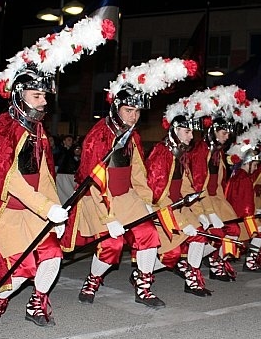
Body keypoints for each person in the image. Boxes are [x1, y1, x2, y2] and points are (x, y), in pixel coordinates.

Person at [0, 16, 115, 327]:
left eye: (45, 96)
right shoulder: (5, 130)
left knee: (53, 254)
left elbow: (43, 175)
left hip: (35, 211)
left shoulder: (38, 131)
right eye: (37, 96)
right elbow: (9, 178)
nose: (44, 102)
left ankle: (37, 303)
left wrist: (53, 211)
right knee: (20, 264)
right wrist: (47, 208)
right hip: (9, 211)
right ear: (19, 95)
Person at [64, 57, 197, 308]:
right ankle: (93, 279)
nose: (134, 116)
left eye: (137, 112)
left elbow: (138, 174)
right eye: (129, 110)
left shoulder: (132, 136)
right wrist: (108, 218)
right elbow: (92, 179)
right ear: (116, 108)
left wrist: (147, 202)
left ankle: (143, 285)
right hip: (99, 199)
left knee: (149, 234)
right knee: (112, 245)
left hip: (126, 198)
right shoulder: (98, 135)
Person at [146, 108, 212, 296]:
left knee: (200, 234)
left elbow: (186, 188)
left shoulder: (181, 153)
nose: (192, 136)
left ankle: (191, 278)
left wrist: (200, 212)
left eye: (192, 132)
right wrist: (182, 223)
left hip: (177, 207)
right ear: (175, 130)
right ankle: (142, 274)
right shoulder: (161, 153)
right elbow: (157, 195)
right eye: (187, 131)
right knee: (172, 255)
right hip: (162, 209)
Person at [186, 85, 248, 282]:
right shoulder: (200, 151)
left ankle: (216, 262)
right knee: (216, 233)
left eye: (228, 133)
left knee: (235, 230)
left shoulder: (218, 153)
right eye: (223, 132)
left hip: (216, 200)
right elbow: (197, 186)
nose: (227, 136)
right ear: (213, 131)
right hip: (202, 202)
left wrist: (221, 207)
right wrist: (209, 212)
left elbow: (219, 183)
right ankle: (191, 264)